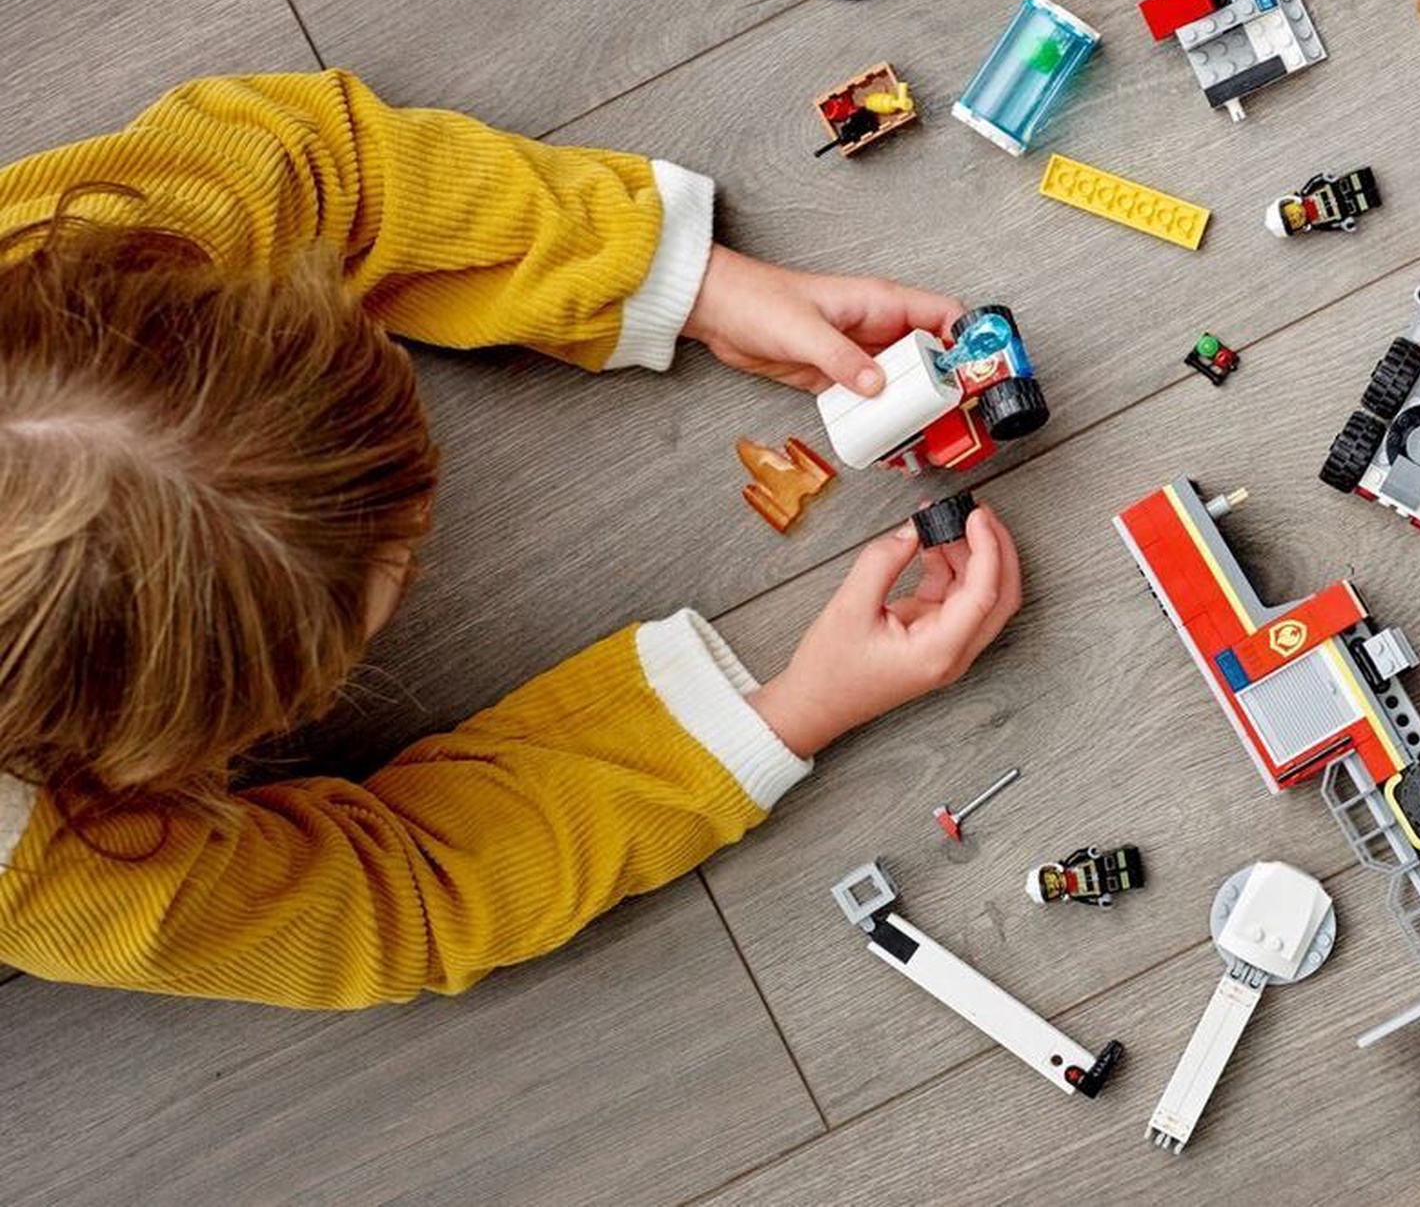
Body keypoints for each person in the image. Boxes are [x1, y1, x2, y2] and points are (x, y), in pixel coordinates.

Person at [0, 70, 1021, 1008]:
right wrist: (790, 713)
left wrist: (689, 284)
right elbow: (402, 904)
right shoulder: (52, 874)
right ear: (154, 753)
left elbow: (329, 164)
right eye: (378, 593)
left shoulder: (52, 262)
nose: (420, 541)